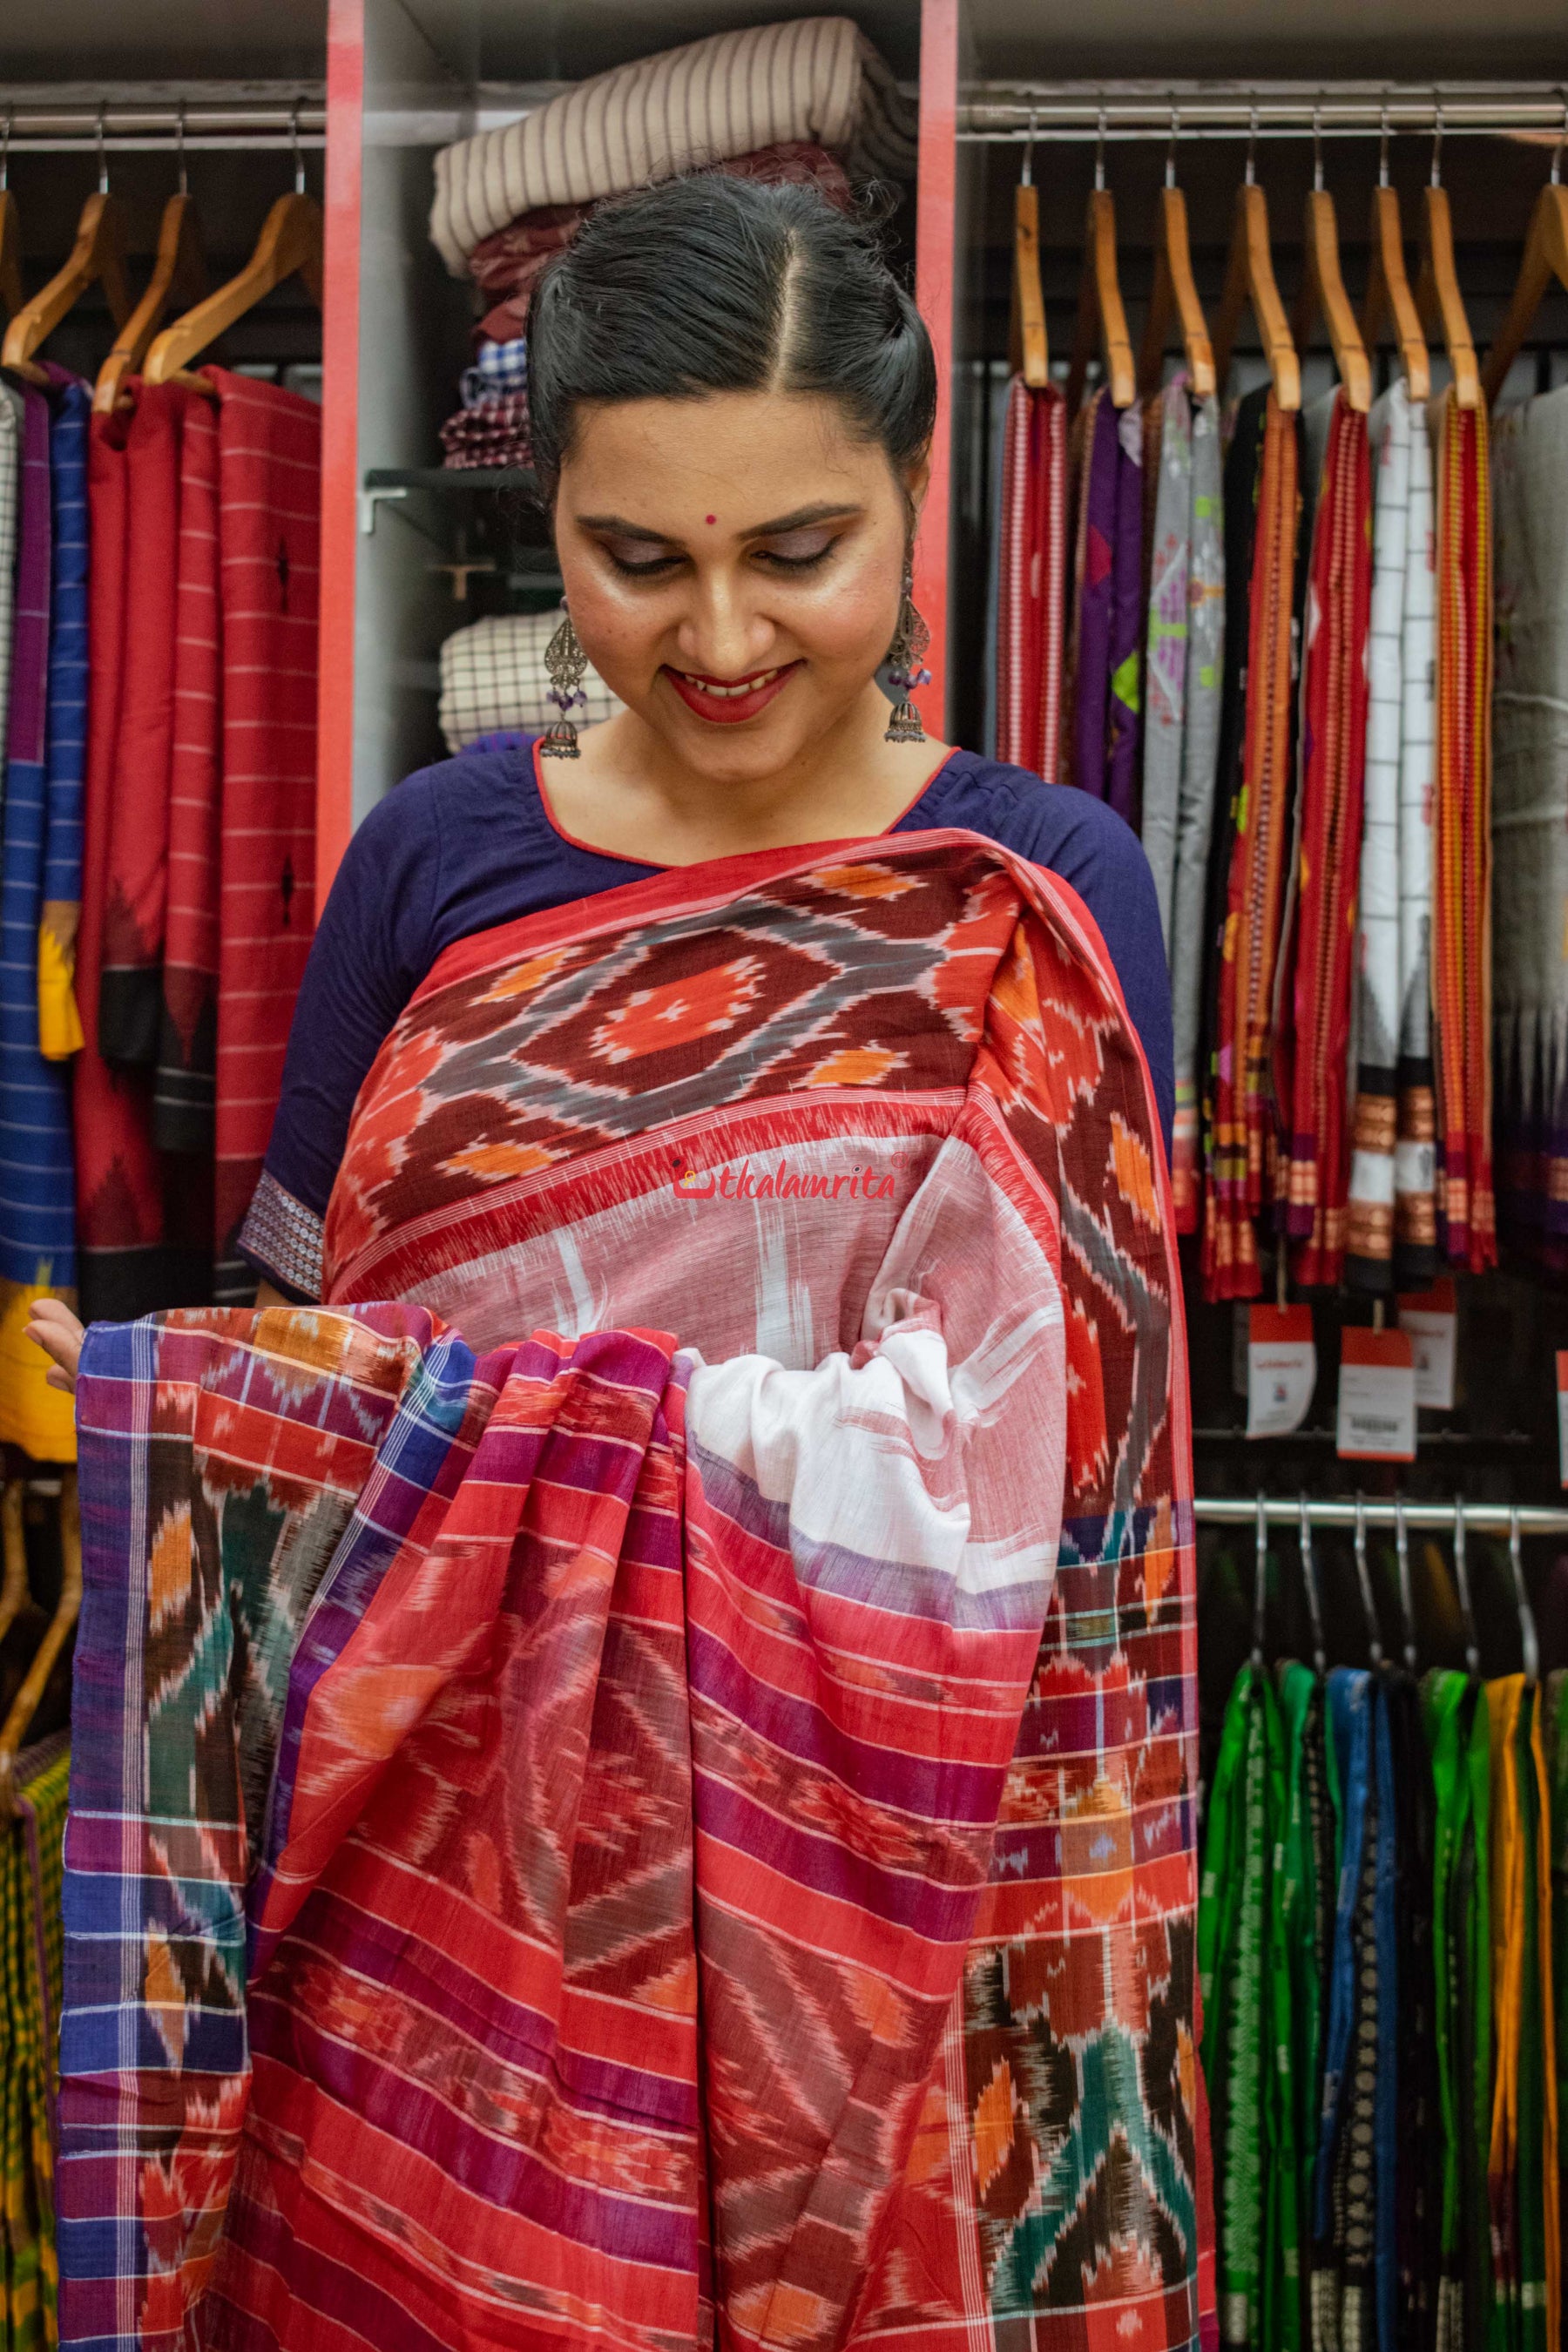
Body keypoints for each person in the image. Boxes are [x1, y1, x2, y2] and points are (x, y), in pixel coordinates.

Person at [31, 170, 1170, 1383]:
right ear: (552, 513)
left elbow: (1089, 1411)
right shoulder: (430, 852)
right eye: (640, 560)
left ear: (914, 490)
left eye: (798, 554)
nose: (724, 642)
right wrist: (163, 1402)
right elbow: (304, 1349)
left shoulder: (1042, 886)